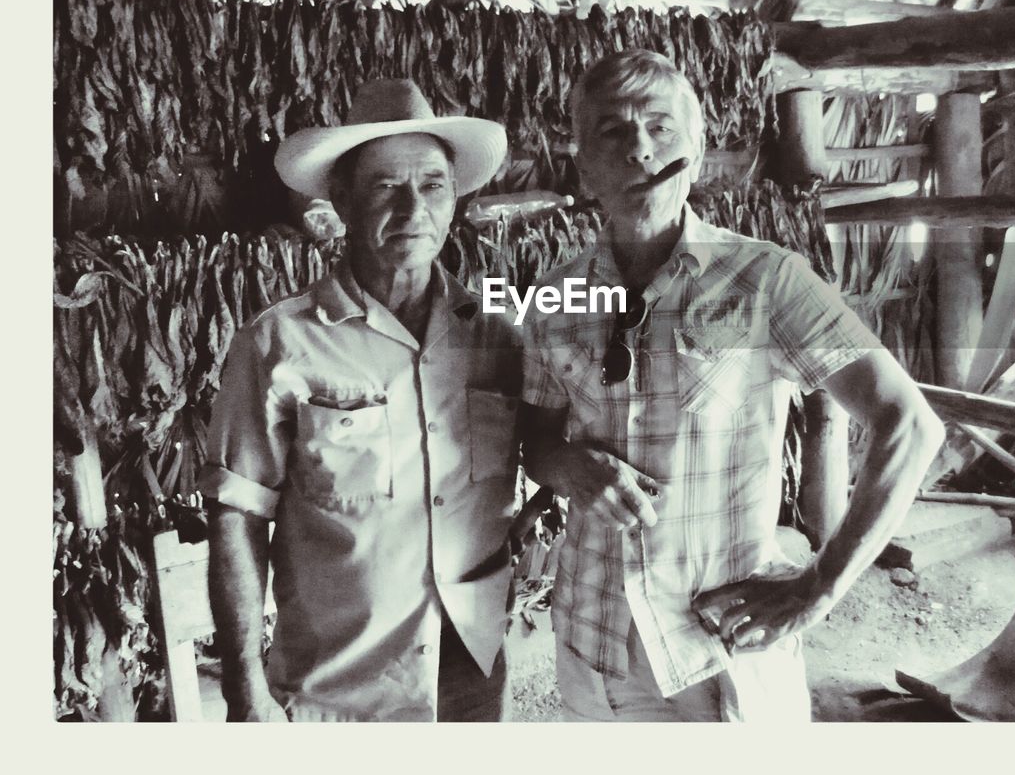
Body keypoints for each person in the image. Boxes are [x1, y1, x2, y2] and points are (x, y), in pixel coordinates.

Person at [520, 50, 945, 722]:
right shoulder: (554, 296)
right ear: (584, 169)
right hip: (590, 642)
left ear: (694, 151)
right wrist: (569, 466)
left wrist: (819, 589)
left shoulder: (765, 281)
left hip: (714, 648)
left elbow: (911, 422)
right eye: (612, 132)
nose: (638, 148)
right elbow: (537, 442)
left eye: (660, 128)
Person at [199, 79, 521, 722]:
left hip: (472, 671)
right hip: (338, 691)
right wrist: (245, 691)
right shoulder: (278, 342)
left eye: (432, 185)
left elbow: (555, 438)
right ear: (341, 199)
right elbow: (237, 517)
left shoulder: (494, 333)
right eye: (385, 187)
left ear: (454, 198)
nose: (412, 210)